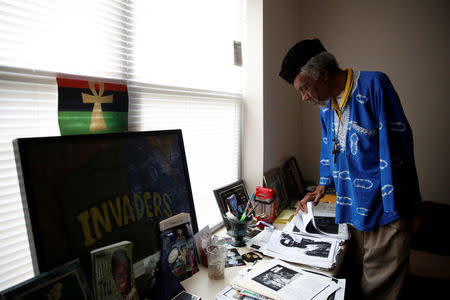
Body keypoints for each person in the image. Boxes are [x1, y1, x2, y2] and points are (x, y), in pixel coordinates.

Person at [279, 39, 421, 299]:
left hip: (386, 216)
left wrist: (408, 210)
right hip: (350, 218)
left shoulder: (374, 85)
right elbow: (331, 153)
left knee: (380, 294)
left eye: (306, 88)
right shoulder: (327, 110)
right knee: (350, 288)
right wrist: (321, 187)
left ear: (322, 74)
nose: (304, 97)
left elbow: (398, 147)